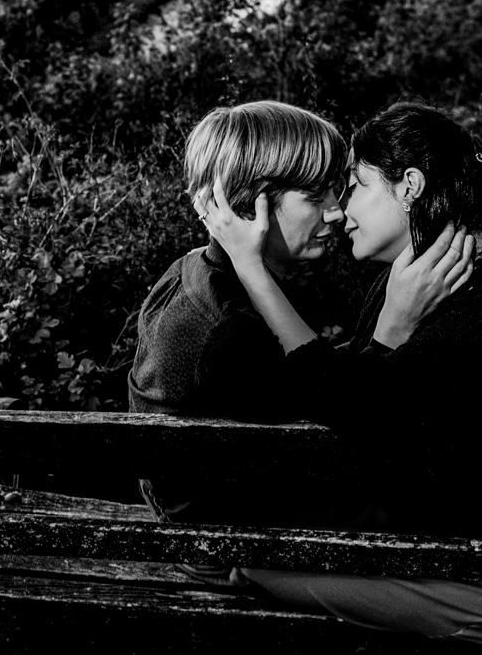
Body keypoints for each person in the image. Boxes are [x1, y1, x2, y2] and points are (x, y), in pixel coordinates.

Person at [198, 101, 482, 645]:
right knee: (263, 551)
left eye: (355, 186)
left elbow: (355, 412)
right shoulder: (427, 285)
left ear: (410, 185)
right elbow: (354, 398)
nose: (341, 210)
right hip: (470, 557)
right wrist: (392, 320)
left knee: (251, 568)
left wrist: (250, 269)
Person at [126, 100, 348, 525]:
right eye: (317, 195)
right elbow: (338, 413)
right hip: (228, 548)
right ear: (251, 206)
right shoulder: (233, 329)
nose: (336, 211)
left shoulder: (191, 270)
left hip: (202, 521)